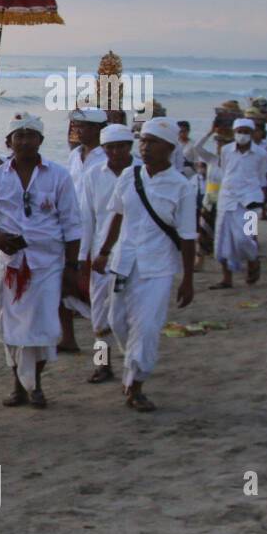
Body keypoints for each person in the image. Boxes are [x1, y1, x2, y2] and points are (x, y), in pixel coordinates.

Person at [90, 118, 196, 412]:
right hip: (123, 262)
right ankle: (133, 362)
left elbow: (188, 237)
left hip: (158, 267)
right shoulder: (129, 176)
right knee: (116, 321)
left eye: (152, 142)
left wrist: (187, 279)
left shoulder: (182, 187)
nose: (145, 147)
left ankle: (136, 384)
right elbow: (118, 216)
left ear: (169, 148)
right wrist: (103, 251)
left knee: (147, 326)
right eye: (143, 141)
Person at [0, 113, 82, 408]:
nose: (25, 141)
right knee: (12, 328)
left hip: (48, 264)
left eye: (31, 135)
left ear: (41, 140)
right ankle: (19, 386)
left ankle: (35, 384)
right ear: (8, 142)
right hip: (12, 265)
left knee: (44, 326)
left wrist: (71, 268)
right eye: (19, 135)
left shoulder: (58, 175)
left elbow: (72, 224)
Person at [77, 124, 139, 383]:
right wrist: (82, 257)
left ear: (130, 146)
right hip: (102, 256)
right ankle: (103, 364)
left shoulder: (142, 173)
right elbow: (87, 219)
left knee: (131, 313)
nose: (115, 151)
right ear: (103, 149)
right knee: (100, 316)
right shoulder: (92, 175)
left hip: (136, 254)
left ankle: (133, 362)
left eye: (121, 146)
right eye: (110, 147)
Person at [190, 118, 267, 288]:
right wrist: (210, 131)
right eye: (239, 131)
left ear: (252, 133)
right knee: (222, 241)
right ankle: (227, 279)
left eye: (246, 131)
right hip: (227, 201)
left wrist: (263, 202)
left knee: (246, 238)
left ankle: (253, 260)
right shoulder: (226, 152)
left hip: (250, 201)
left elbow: (263, 179)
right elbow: (200, 151)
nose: (242, 135)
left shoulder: (261, 154)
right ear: (234, 133)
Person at [60, 107, 108, 353]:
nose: (77, 130)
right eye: (76, 126)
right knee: (64, 284)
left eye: (83, 126)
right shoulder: (74, 156)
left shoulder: (108, 157)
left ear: (97, 129)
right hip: (72, 230)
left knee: (97, 294)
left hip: (99, 232)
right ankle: (68, 338)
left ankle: (102, 352)